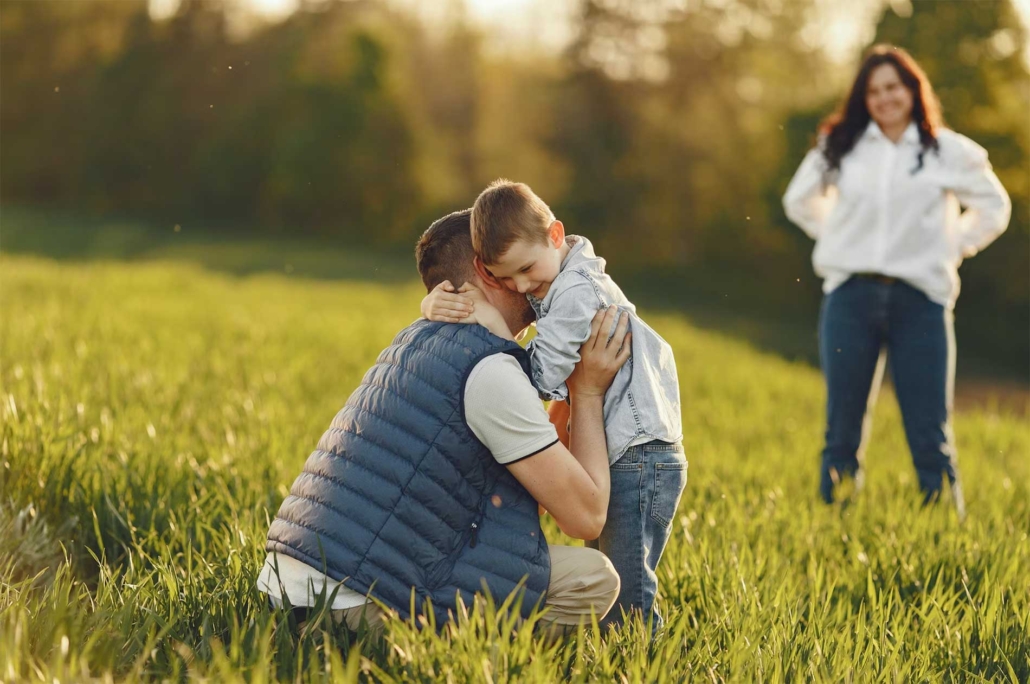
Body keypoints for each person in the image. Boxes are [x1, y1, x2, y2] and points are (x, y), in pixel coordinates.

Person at [257, 209, 630, 636]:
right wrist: (587, 393)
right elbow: (585, 516)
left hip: (296, 583)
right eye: (514, 269)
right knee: (594, 578)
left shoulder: (415, 339)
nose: (538, 282)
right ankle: (475, 664)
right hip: (352, 602)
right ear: (484, 274)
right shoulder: (489, 372)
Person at [421, 180, 686, 633]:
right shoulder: (558, 277)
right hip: (626, 452)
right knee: (616, 573)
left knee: (628, 594)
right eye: (506, 280)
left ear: (556, 235)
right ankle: (616, 654)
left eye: (526, 269)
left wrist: (488, 323)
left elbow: (540, 377)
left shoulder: (576, 293)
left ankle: (641, 658)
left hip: (639, 457)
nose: (523, 286)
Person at [782, 45, 1011, 513]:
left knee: (931, 429)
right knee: (841, 427)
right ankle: (835, 520)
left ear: (912, 90)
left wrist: (954, 244)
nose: (885, 97)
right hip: (850, 297)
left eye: (893, 87)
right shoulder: (840, 146)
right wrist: (840, 236)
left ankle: (944, 528)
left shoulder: (946, 149)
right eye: (874, 90)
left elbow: (995, 207)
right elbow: (798, 201)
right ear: (863, 98)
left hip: (920, 300)